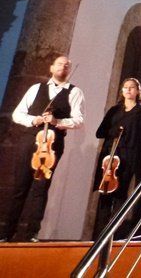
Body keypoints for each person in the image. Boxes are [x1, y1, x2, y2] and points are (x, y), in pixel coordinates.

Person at [1, 55, 84, 242]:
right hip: (30, 139)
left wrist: (57, 121)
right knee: (19, 186)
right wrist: (34, 120)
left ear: (69, 70)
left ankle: (31, 233)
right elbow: (17, 114)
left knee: (41, 188)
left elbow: (78, 120)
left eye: (67, 66)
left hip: (54, 143)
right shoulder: (36, 88)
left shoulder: (75, 92)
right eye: (60, 64)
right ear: (52, 67)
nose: (63, 67)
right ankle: (6, 234)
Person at [92, 78, 141, 240]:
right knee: (105, 193)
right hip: (110, 156)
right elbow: (100, 132)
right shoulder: (114, 110)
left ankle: (114, 233)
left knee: (120, 193)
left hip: (129, 156)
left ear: (137, 91)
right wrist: (115, 131)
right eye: (125, 88)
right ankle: (100, 235)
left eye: (131, 88)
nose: (128, 90)